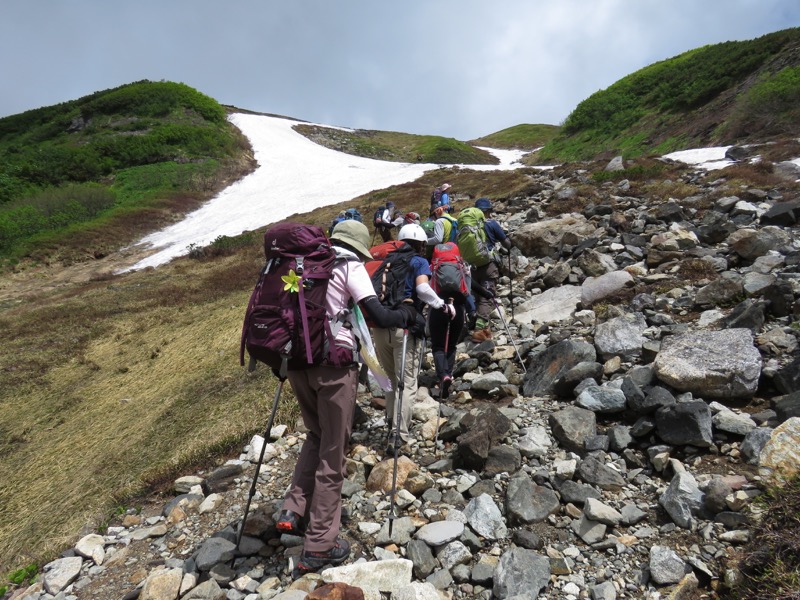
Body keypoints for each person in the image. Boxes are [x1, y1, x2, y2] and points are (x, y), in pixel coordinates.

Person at [276, 220, 415, 577]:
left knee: (316, 434)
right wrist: (408, 315)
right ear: (359, 246)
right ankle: (321, 545)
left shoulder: (297, 264)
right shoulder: (349, 265)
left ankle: (293, 510)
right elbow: (378, 314)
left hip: (295, 364)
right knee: (334, 450)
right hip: (333, 366)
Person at [371, 223, 451, 454]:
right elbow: (423, 290)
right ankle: (399, 435)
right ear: (420, 244)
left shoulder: (387, 262)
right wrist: (442, 305)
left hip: (380, 326)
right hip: (404, 329)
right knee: (406, 383)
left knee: (390, 379)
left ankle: (390, 422)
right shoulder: (418, 261)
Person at [470, 197, 513, 343]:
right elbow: (507, 244)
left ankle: (483, 328)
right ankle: (478, 331)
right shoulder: (492, 223)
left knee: (476, 296)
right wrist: (508, 238)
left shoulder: (469, 226)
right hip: (489, 265)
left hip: (472, 266)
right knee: (487, 297)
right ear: (487, 211)